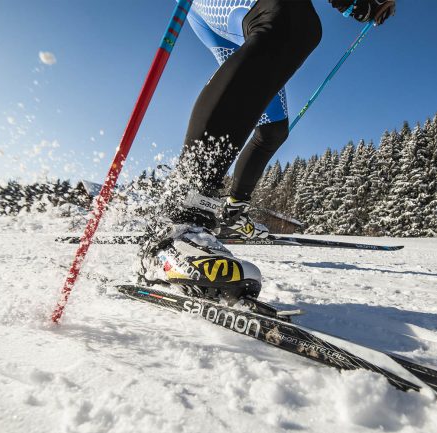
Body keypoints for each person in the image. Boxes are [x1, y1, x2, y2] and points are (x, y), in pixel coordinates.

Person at [137, 0, 396, 301]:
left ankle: (233, 209)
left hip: (241, 19)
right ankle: (178, 224)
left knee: (273, 129)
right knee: (294, 23)